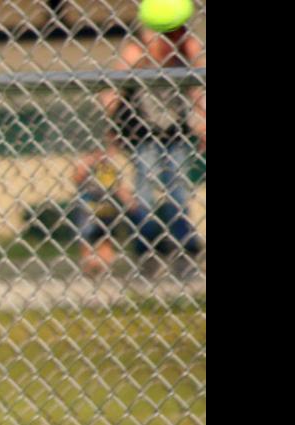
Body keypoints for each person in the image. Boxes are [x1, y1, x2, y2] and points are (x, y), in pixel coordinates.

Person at [100, 21, 206, 278]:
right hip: (143, 133)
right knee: (145, 194)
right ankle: (148, 251)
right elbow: (110, 93)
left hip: (175, 133)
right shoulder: (137, 51)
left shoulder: (184, 46)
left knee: (177, 194)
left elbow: (198, 87)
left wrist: (202, 120)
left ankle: (184, 252)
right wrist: (112, 126)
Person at [69, 145, 135, 277]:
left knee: (106, 238)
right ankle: (89, 267)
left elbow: (119, 186)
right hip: (88, 208)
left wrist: (129, 201)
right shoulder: (88, 166)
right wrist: (91, 160)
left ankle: (103, 267)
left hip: (107, 208)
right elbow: (77, 176)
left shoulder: (111, 168)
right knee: (86, 237)